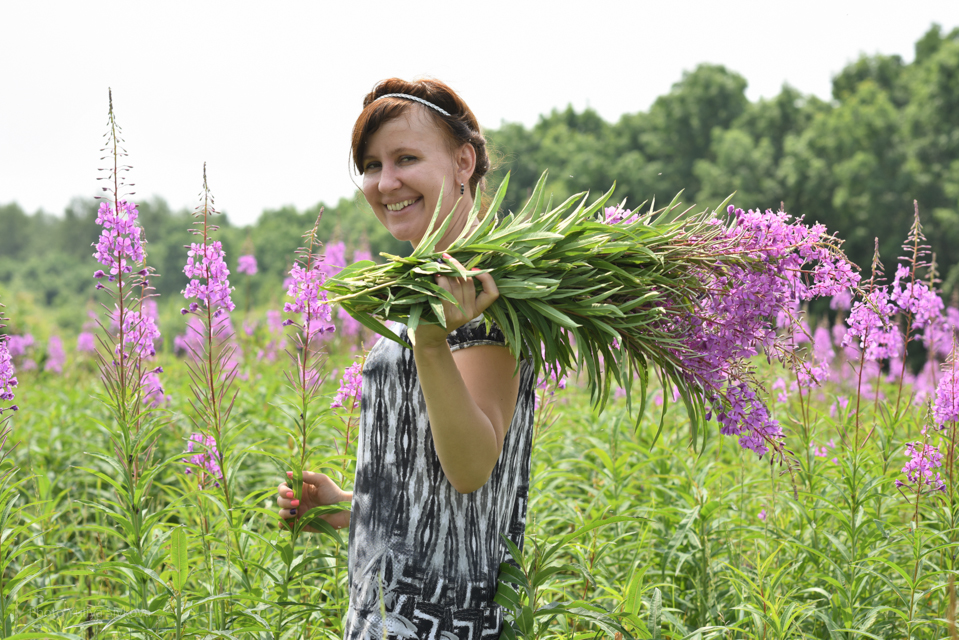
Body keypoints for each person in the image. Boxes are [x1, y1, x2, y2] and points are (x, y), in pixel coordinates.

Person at [276, 78, 536, 639]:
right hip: (384, 618)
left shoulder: (491, 295)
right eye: (371, 165)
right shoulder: (422, 293)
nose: (385, 182)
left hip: (447, 624)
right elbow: (440, 498)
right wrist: (349, 507)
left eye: (407, 158)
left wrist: (432, 340)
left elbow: (471, 471)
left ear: (463, 162)